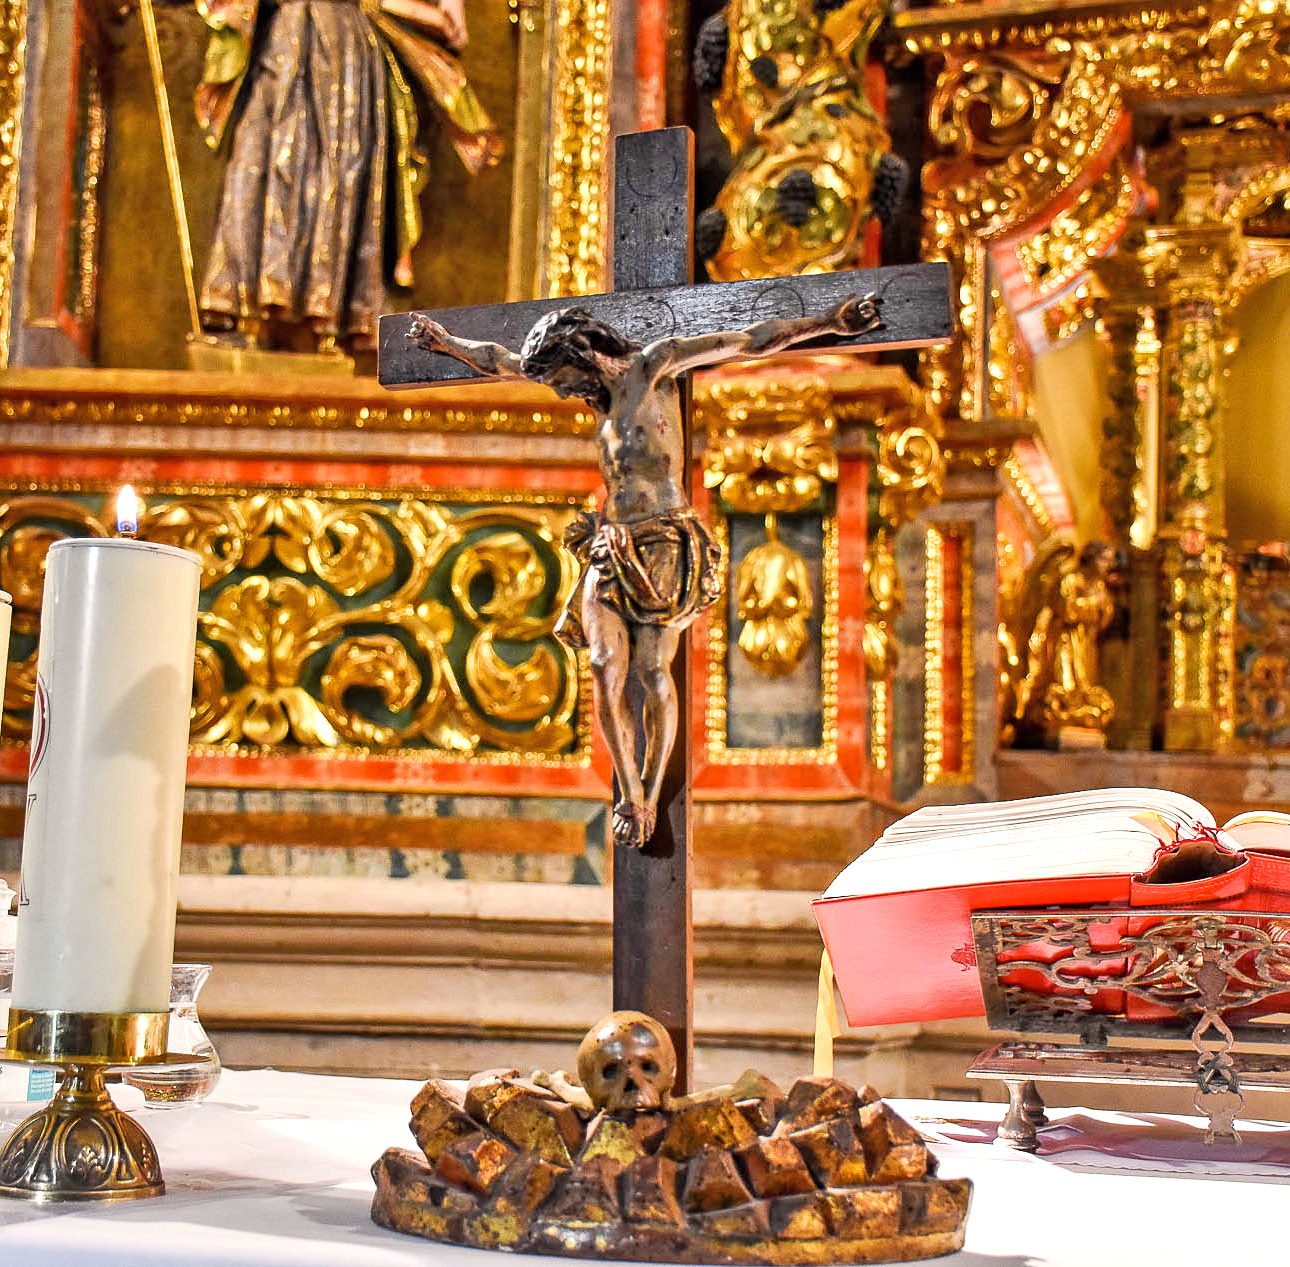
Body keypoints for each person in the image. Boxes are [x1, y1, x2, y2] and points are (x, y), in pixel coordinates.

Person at [409, 292, 881, 847]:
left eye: (563, 379)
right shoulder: (595, 398)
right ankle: (629, 792)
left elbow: (751, 339)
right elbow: (498, 358)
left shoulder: (654, 367)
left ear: (586, 355)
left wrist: (830, 321)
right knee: (605, 663)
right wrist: (446, 343)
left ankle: (651, 794)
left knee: (654, 670)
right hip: (611, 542)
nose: (561, 392)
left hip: (664, 541)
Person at [193, 0, 502, 353]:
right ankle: (252, 302)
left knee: (332, 168)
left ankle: (325, 313)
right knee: (259, 162)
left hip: (342, 48)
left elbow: (451, 24)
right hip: (283, 39)